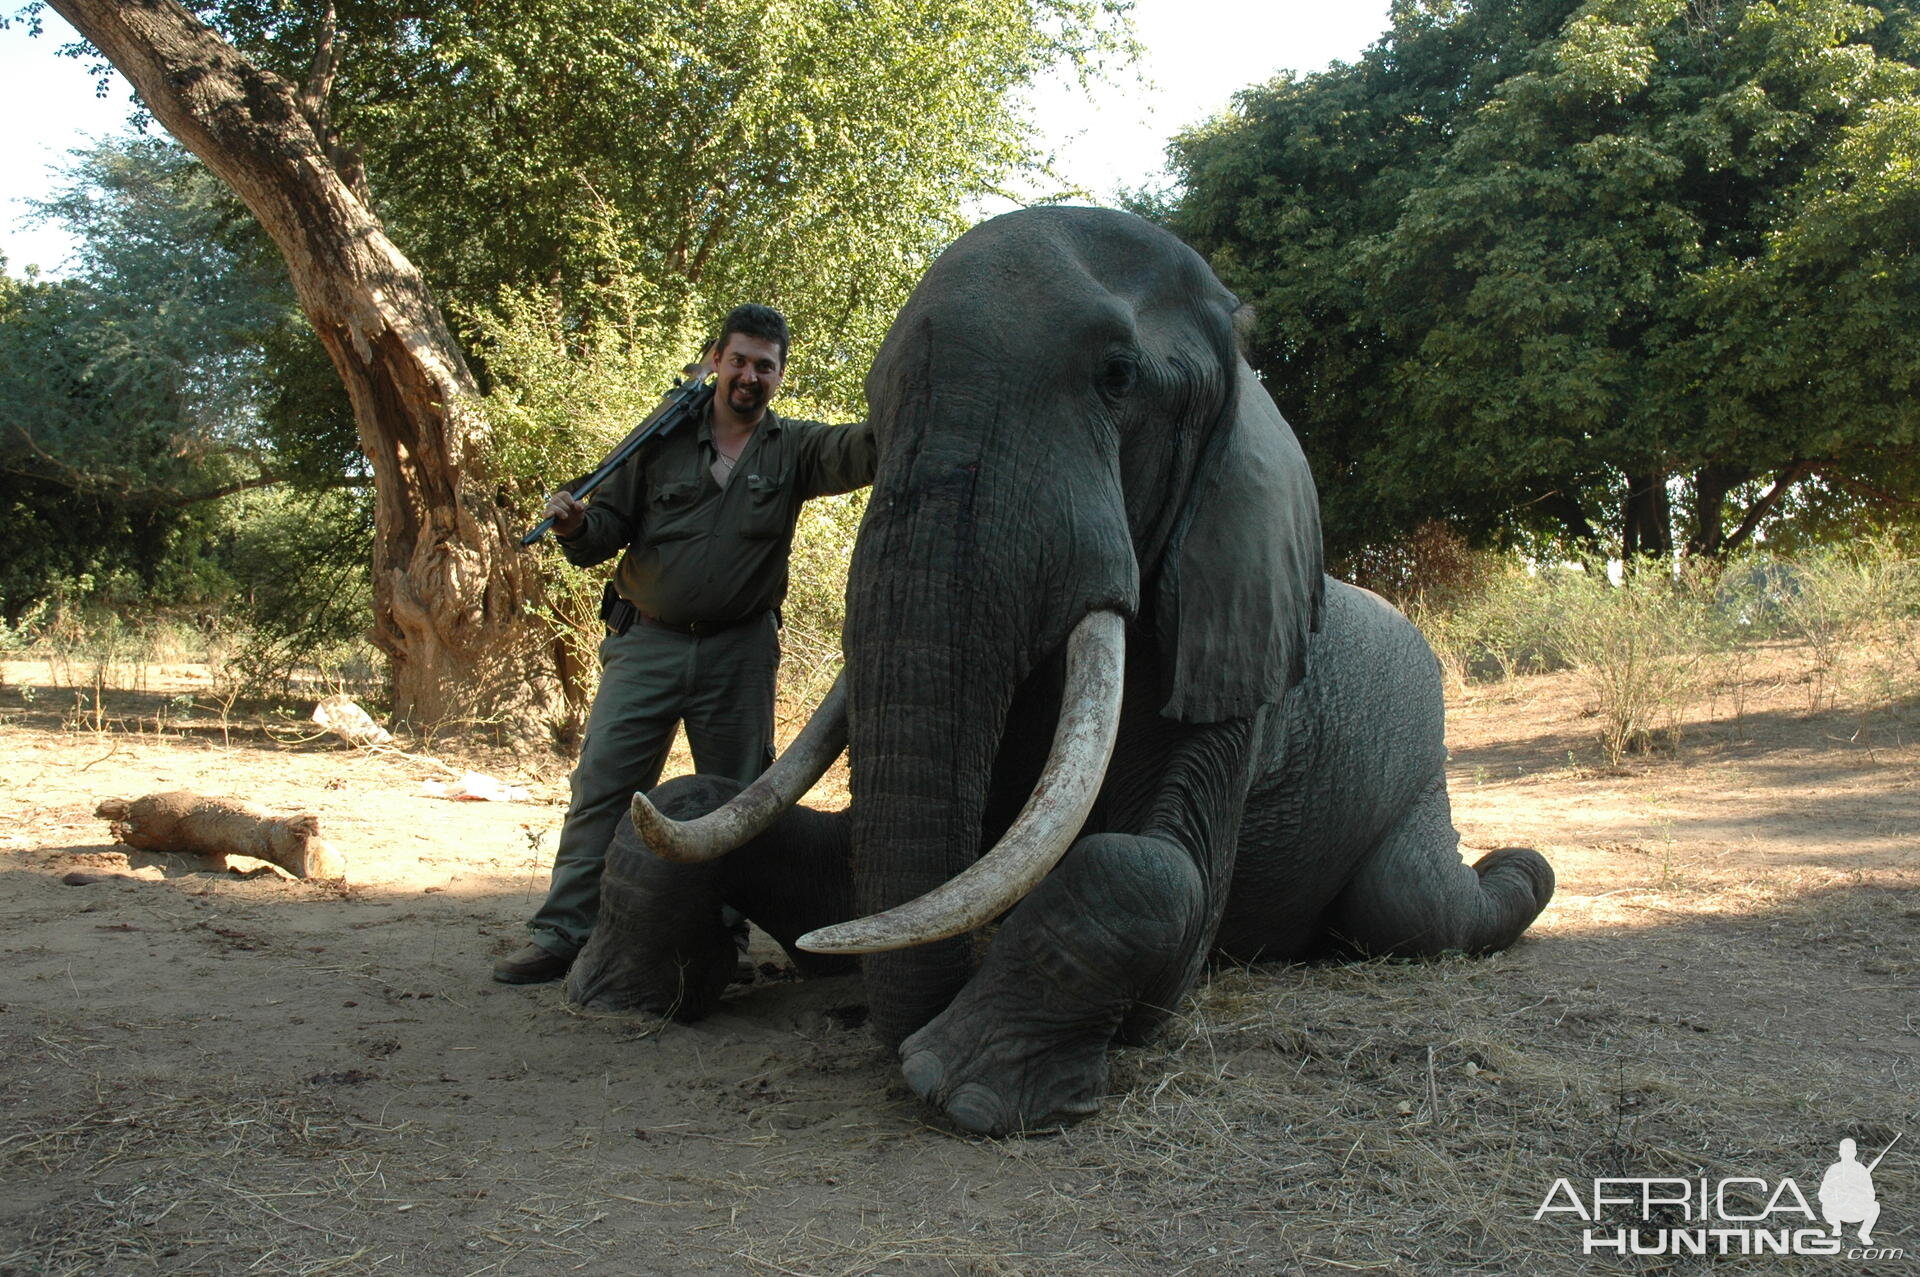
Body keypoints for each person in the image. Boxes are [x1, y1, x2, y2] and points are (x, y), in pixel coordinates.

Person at [493, 304, 875, 984]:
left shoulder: (795, 448)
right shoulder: (657, 440)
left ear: (781, 375)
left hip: (739, 653)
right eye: (739, 361)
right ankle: (563, 934)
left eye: (765, 365)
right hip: (646, 644)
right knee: (604, 788)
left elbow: (864, 450)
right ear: (713, 362)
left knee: (737, 804)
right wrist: (578, 523)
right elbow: (601, 533)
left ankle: (719, 943)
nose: (749, 376)